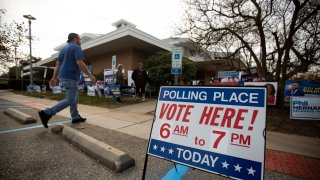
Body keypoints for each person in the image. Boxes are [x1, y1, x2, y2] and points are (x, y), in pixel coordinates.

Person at [38, 33, 96, 128]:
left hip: (64, 77)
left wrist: (54, 77)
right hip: (70, 77)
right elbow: (79, 62)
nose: (80, 41)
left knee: (75, 97)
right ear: (74, 39)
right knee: (70, 99)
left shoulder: (63, 50)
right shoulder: (76, 47)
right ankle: (47, 113)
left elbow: (57, 64)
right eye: (79, 39)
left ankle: (75, 117)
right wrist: (90, 75)